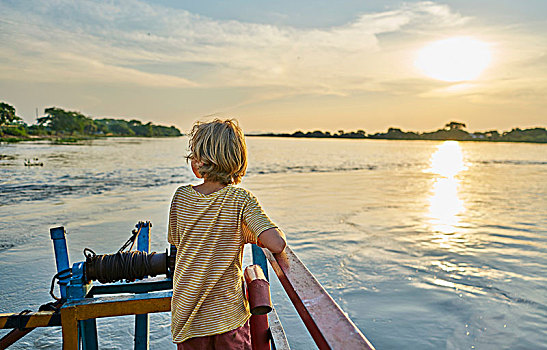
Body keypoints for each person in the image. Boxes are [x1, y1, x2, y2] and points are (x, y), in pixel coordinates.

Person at [168, 119, 286, 349]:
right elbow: (277, 244)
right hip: (226, 318)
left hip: (187, 318)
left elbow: (176, 240)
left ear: (199, 161)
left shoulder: (181, 198)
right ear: (238, 161)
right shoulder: (241, 200)